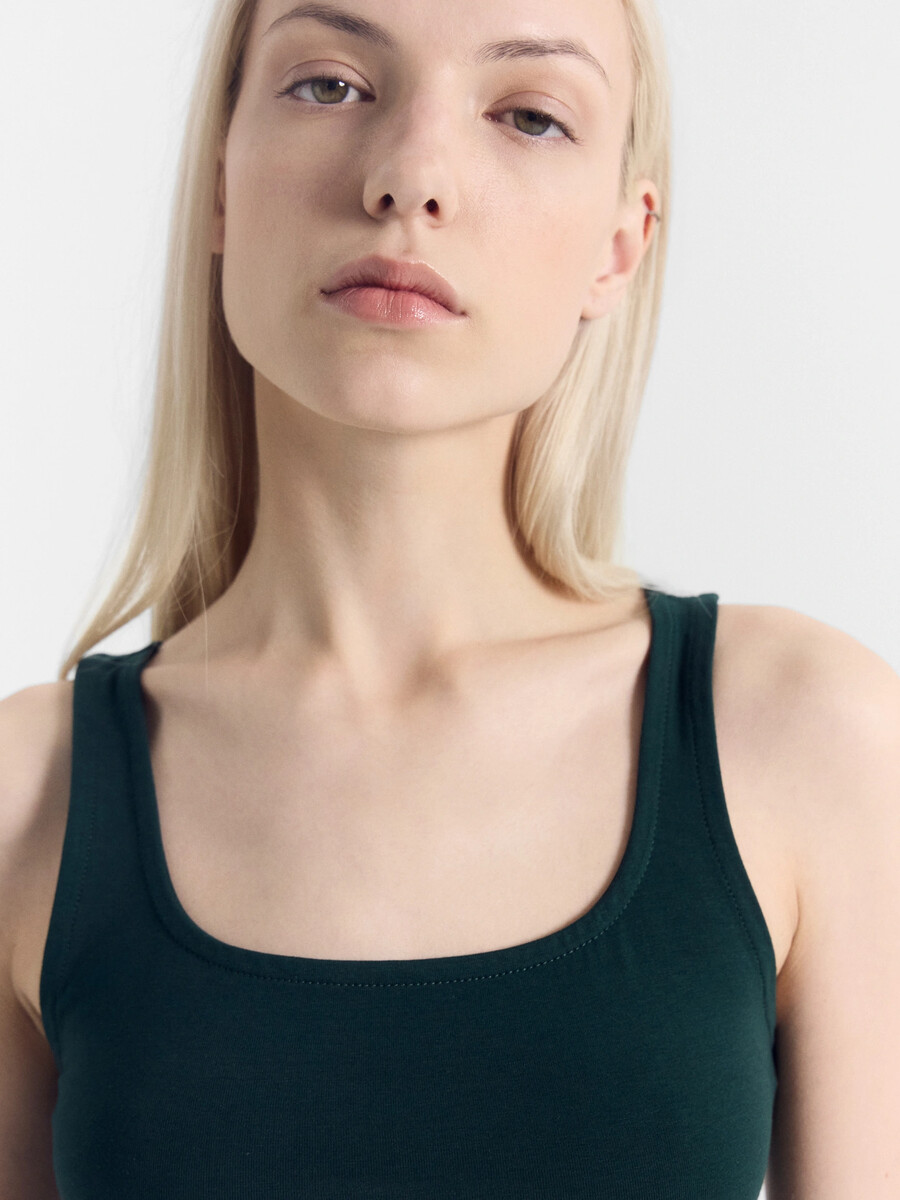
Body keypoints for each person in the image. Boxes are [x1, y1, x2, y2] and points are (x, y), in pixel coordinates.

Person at [1, 0, 898, 1196]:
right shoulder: (24, 803)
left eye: (528, 115)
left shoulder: (806, 737)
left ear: (617, 248)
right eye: (330, 84)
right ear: (219, 181)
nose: (411, 178)